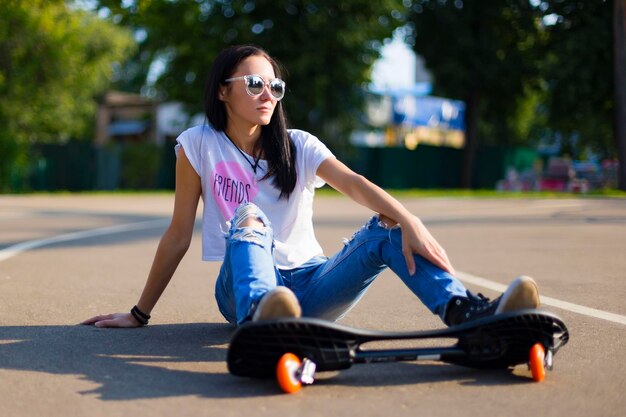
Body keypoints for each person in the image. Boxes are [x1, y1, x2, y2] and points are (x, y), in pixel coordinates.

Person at [82, 45, 539, 329]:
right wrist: (139, 314)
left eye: (274, 85)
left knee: (387, 226)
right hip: (240, 289)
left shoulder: (298, 145)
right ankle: (266, 319)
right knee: (247, 214)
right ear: (223, 92)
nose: (267, 93)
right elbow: (179, 233)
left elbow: (353, 183)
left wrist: (408, 219)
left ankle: (467, 315)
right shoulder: (198, 144)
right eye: (254, 83)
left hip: (311, 284)